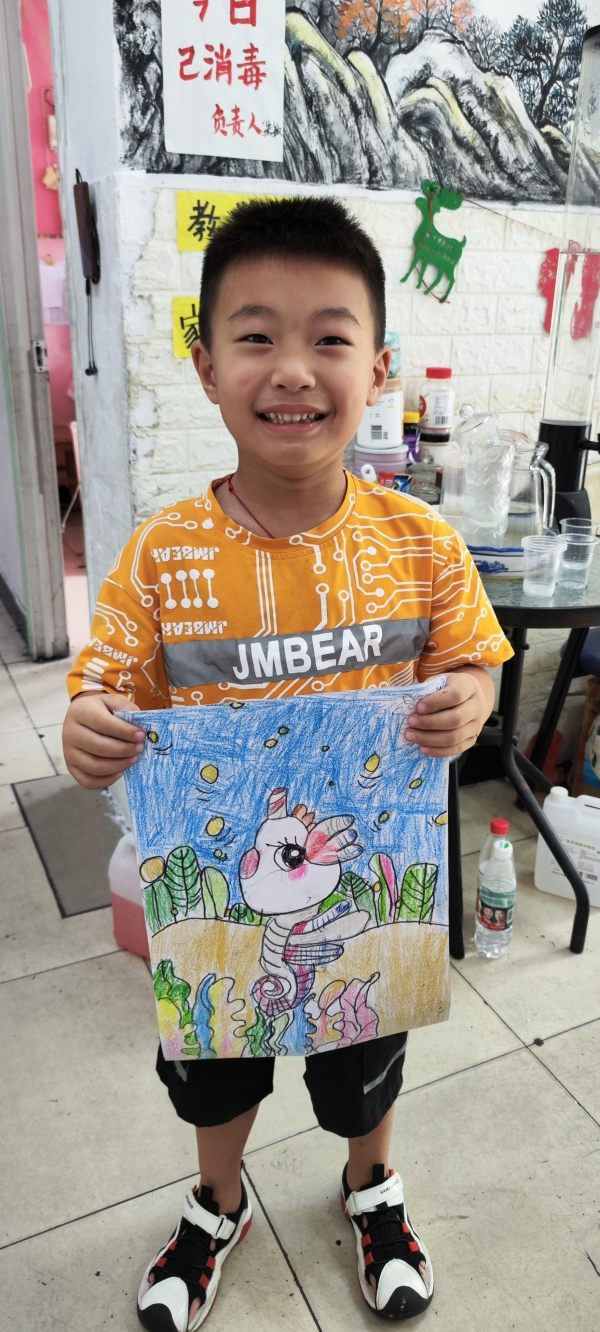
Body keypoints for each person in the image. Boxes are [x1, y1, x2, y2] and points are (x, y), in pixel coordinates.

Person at [63, 197, 513, 1330]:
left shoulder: (423, 545)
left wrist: (471, 699)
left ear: (379, 369)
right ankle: (218, 1203)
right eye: (257, 336)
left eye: (330, 337)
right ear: (208, 367)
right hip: (223, 907)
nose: (294, 369)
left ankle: (372, 1183)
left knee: (365, 1060)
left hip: (365, 899)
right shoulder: (161, 556)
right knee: (215, 1067)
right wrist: (90, 727)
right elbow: (101, 691)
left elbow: (474, 663)